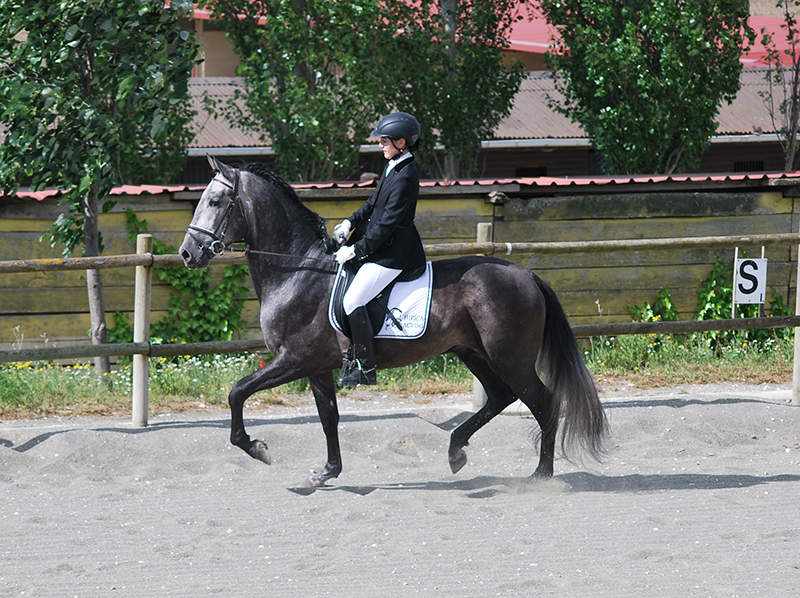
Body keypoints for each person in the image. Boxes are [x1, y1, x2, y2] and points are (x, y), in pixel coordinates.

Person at [333, 112, 427, 386]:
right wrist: (350, 221)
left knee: (352, 301)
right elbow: (373, 204)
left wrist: (356, 249)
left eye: (384, 141)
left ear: (401, 141)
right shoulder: (394, 165)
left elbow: (386, 224)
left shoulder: (406, 175)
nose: (380, 145)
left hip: (393, 254)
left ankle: (366, 368)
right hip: (377, 247)